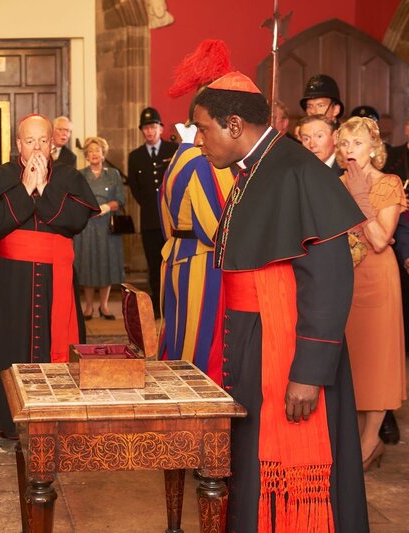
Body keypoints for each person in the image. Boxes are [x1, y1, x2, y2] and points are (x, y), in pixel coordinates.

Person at [193, 72, 368, 531]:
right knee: (249, 463)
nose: (197, 140)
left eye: (203, 129)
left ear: (234, 125)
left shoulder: (296, 170)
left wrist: (309, 373)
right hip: (253, 341)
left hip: (287, 349)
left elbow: (330, 280)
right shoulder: (254, 169)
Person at [0, 114, 98, 437]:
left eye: (42, 140)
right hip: (10, 282)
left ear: (52, 143)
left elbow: (77, 221)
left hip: (56, 278)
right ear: (18, 144)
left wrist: (45, 190)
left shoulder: (68, 176)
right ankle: (8, 418)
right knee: (8, 346)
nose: (36, 148)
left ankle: (58, 416)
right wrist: (26, 189)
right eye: (29, 141)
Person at [158, 39, 235, 384]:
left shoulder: (178, 156)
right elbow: (217, 228)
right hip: (204, 262)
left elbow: (165, 213)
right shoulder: (206, 160)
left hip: (176, 255)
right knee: (201, 343)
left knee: (177, 334)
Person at [338, 116, 407, 470]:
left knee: (377, 358)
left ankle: (370, 441)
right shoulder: (335, 184)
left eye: (358, 143)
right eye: (345, 143)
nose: (350, 150)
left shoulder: (388, 183)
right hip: (344, 277)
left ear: (373, 148)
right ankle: (356, 438)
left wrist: (360, 196)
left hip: (378, 277)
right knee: (353, 358)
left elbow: (380, 240)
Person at [128, 107, 178, 316]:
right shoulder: (135, 156)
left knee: (173, 264)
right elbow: (135, 189)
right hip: (149, 221)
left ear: (161, 128)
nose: (149, 131)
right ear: (142, 131)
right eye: (146, 128)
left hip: (172, 220)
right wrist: (151, 206)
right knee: (154, 265)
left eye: (153, 127)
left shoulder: (173, 150)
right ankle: (158, 307)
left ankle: (173, 306)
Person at [73, 136, 125, 320]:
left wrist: (105, 207)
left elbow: (120, 200)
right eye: (90, 151)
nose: (94, 154)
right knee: (87, 264)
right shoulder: (79, 175)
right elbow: (75, 199)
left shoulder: (113, 174)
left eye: (98, 150)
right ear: (86, 156)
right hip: (87, 226)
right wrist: (88, 209)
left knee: (105, 264)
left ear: (103, 154)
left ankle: (104, 306)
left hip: (106, 227)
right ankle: (88, 307)